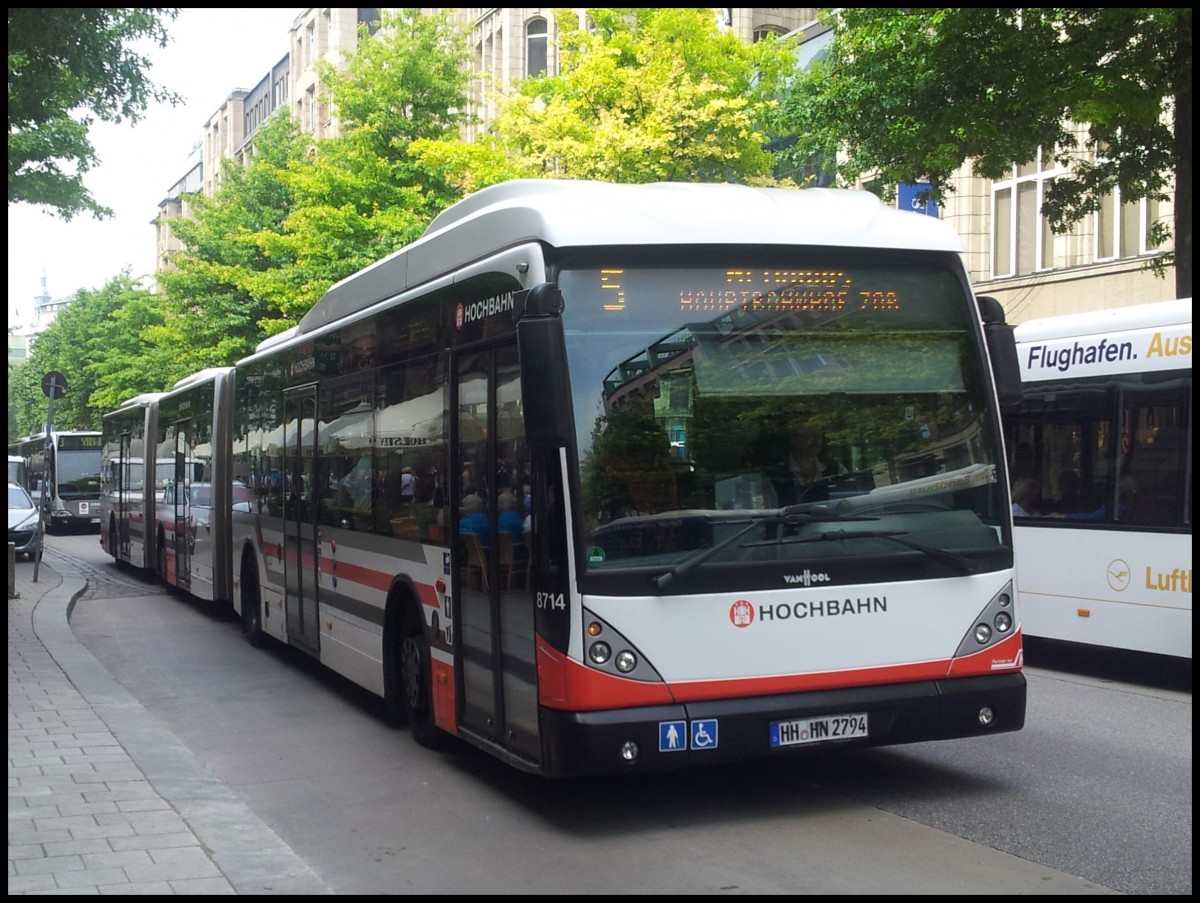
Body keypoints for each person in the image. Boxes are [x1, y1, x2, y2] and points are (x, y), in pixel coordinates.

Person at [779, 422, 847, 504]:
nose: (816, 440)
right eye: (810, 435)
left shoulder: (836, 469)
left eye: (819, 435)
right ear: (794, 439)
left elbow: (852, 501)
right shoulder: (777, 473)